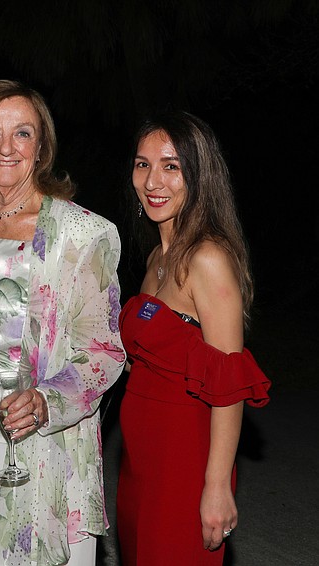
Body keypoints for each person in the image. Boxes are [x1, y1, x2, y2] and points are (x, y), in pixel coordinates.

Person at [0, 79, 126, 566]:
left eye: (23, 133)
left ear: (41, 148)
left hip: (40, 448)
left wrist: (46, 401)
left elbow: (103, 353)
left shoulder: (83, 232)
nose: (7, 147)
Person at [116, 110, 271, 565]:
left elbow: (229, 383)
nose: (152, 180)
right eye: (142, 164)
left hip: (184, 459)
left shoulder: (207, 258)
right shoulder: (156, 259)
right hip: (139, 461)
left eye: (171, 166)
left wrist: (217, 485)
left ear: (198, 176)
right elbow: (151, 357)